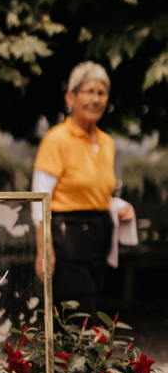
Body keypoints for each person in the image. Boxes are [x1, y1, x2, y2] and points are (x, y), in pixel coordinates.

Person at [32, 62, 136, 319]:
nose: (95, 99)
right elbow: (39, 199)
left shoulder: (107, 142)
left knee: (85, 312)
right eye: (89, 91)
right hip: (66, 237)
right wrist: (44, 251)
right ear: (71, 97)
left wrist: (118, 206)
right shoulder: (57, 139)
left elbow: (95, 191)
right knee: (80, 313)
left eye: (101, 93)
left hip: (98, 236)